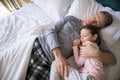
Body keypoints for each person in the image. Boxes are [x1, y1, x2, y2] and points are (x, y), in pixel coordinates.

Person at [26, 11, 115, 80]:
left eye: (96, 22)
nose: (92, 20)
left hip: (50, 64)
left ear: (97, 29)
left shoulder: (94, 37)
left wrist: (97, 53)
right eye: (94, 17)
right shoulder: (71, 19)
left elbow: (112, 60)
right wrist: (58, 57)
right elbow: (50, 30)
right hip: (40, 47)